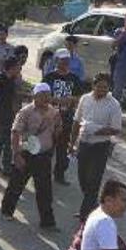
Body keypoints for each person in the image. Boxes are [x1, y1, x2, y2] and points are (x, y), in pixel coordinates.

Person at [1, 82, 61, 230]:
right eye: (42, 95)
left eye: (48, 95)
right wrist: (16, 155)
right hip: (26, 154)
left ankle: (47, 222)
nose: (46, 98)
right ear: (35, 96)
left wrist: (59, 128)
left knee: (45, 190)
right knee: (16, 185)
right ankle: (7, 211)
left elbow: (56, 132)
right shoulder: (26, 111)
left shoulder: (53, 112)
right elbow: (15, 132)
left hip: (44, 156)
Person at [71, 72, 122, 220]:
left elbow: (116, 129)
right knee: (83, 179)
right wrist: (72, 143)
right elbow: (76, 121)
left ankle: (85, 214)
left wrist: (96, 130)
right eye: (99, 87)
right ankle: (92, 204)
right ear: (93, 86)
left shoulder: (113, 104)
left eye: (105, 88)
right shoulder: (85, 99)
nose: (102, 90)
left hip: (100, 146)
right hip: (84, 144)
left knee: (94, 181)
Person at [43, 48, 83, 186]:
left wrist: (72, 99)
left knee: (61, 149)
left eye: (67, 60)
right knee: (47, 148)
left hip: (66, 119)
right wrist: (58, 100)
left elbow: (79, 97)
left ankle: (59, 174)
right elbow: (43, 97)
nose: (65, 63)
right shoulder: (49, 77)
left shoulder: (74, 78)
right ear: (56, 60)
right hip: (49, 119)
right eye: (62, 60)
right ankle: (42, 174)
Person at [0, 56, 21, 176]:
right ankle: (4, 166)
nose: (20, 68)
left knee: (4, 140)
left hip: (9, 114)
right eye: (18, 66)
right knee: (5, 141)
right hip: (0, 115)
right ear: (12, 68)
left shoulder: (11, 79)